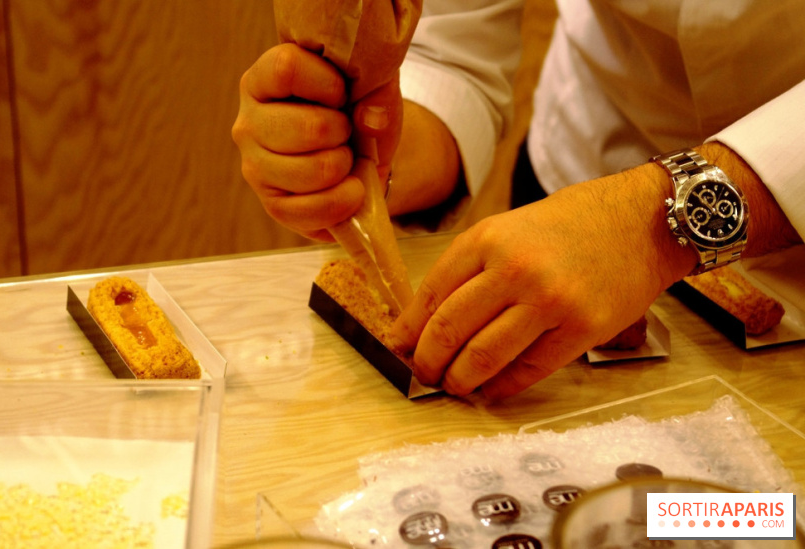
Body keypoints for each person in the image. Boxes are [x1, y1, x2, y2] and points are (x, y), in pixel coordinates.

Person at [232, 0, 805, 400]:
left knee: (759, 519)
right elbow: (455, 44)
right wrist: (366, 155)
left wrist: (649, 224)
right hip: (577, 195)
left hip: (782, 255)